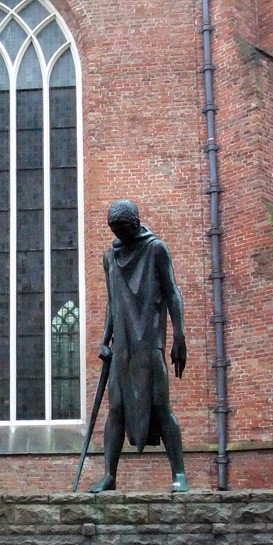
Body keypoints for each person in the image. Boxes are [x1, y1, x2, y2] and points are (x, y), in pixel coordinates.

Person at [90, 200, 189, 493]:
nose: (119, 234)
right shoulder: (109, 257)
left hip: (149, 343)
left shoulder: (156, 249)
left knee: (160, 405)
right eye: (114, 230)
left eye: (123, 229)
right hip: (121, 346)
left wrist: (179, 337)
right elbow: (113, 301)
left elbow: (172, 293)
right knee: (116, 408)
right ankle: (109, 475)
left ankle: (179, 474)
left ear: (135, 224)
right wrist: (105, 340)